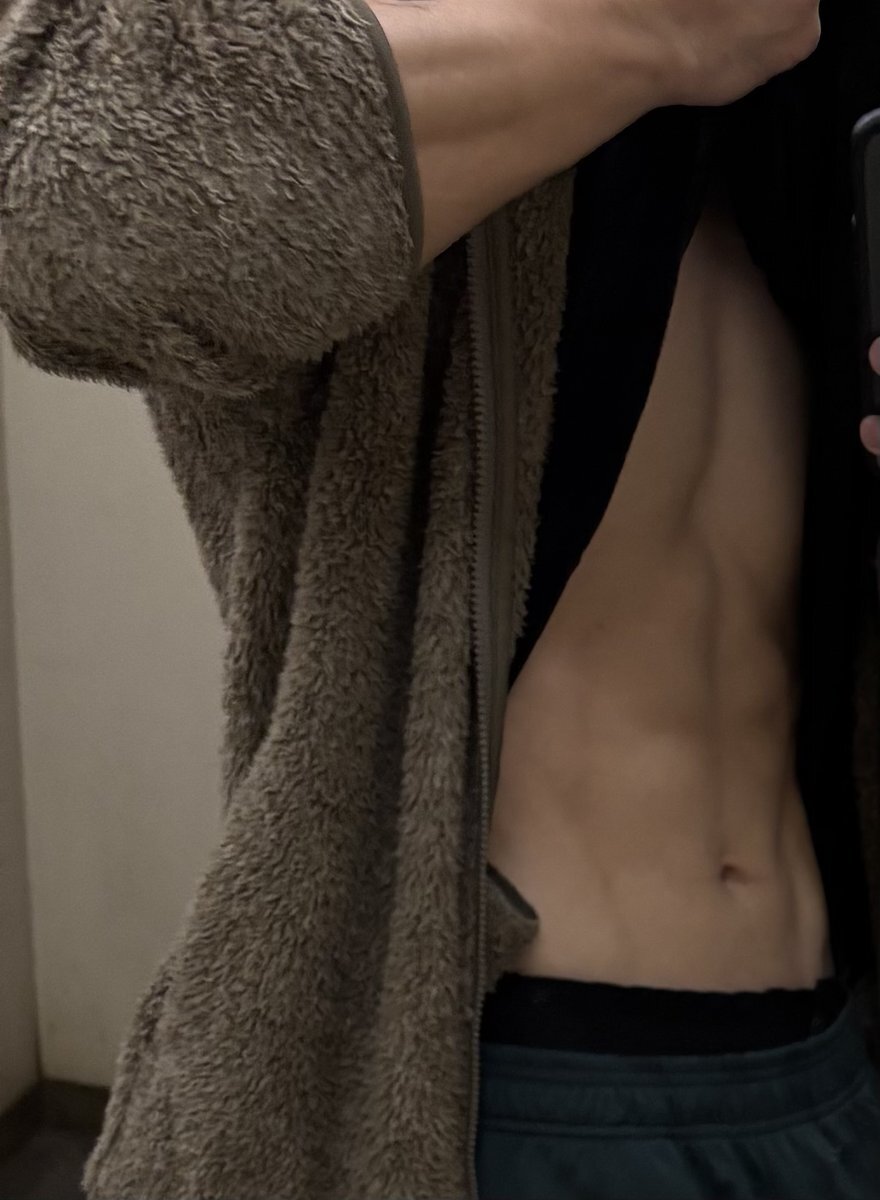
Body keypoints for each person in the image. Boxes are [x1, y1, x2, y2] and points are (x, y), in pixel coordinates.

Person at [0, 0, 878, 1197]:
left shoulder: (820, 83)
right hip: (491, 1078)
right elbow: (58, 199)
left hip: (832, 1059)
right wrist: (658, 35)